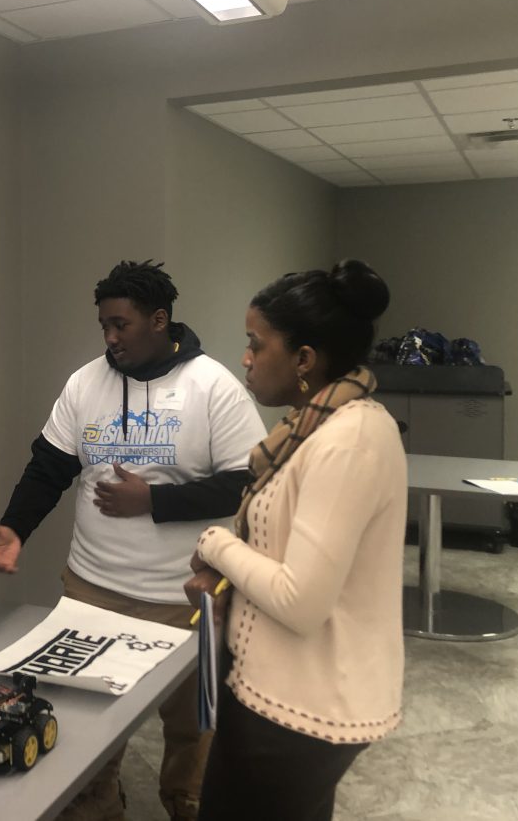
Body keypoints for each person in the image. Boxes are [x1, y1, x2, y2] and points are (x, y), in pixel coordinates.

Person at [0, 259, 265, 821]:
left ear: (159, 320)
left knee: (194, 726)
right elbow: (49, 467)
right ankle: (96, 804)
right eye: (103, 327)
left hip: (185, 598)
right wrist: (16, 527)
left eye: (121, 326)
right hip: (92, 588)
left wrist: (155, 502)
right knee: (87, 720)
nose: (110, 339)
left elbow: (249, 485)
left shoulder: (214, 388)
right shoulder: (86, 382)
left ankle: (186, 805)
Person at [183, 260, 407, 821]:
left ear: (304, 359)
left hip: (301, 705)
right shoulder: (309, 429)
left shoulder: (347, 440)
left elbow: (300, 600)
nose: (246, 358)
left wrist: (215, 545)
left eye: (256, 344)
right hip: (267, 684)